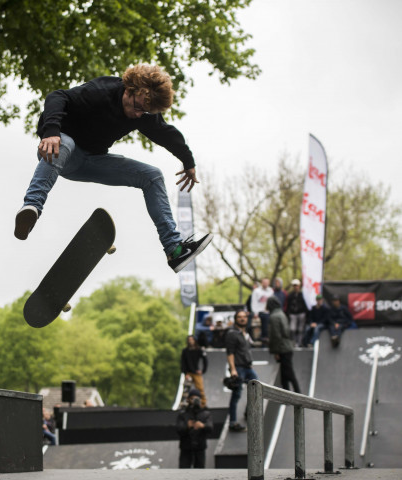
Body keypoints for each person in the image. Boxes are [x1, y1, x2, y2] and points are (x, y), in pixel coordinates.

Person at [14, 64, 213, 273]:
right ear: (129, 90)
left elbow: (166, 134)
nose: (138, 115)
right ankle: (32, 208)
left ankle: (174, 250)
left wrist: (188, 162)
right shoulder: (101, 91)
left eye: (144, 111)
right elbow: (57, 97)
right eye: (137, 107)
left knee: (152, 176)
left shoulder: (142, 112)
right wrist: (51, 131)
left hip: (93, 161)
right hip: (59, 152)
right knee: (67, 144)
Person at [225, 310, 258, 432]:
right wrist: (233, 370)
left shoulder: (245, 332)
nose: (242, 319)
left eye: (244, 317)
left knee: (256, 389)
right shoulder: (232, 333)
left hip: (248, 367)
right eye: (240, 317)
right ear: (235, 319)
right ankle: (233, 422)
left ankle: (248, 412)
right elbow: (230, 353)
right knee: (236, 394)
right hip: (238, 368)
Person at [267, 296, 301, 393]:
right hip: (287, 346)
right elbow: (286, 331)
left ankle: (298, 393)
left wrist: (276, 351)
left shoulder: (274, 316)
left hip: (282, 348)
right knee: (284, 375)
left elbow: (276, 335)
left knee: (288, 373)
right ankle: (287, 394)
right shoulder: (281, 313)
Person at [176, 388, 213, 468]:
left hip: (200, 448)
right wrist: (187, 426)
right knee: (183, 471)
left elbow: (210, 428)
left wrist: (203, 426)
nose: (194, 400)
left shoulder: (206, 414)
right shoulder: (183, 414)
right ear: (188, 399)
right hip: (186, 448)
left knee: (200, 471)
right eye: (192, 398)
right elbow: (178, 429)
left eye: (197, 398)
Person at [181, 335, 208, 407]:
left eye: (192, 340)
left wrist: (203, 370)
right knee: (186, 388)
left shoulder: (199, 350)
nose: (190, 341)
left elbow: (205, 360)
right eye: (189, 340)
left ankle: (203, 403)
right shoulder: (185, 351)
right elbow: (183, 362)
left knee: (200, 388)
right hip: (189, 373)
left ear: (194, 341)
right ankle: (185, 403)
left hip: (196, 372)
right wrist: (185, 373)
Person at [285, 279, 309, 346]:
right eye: (294, 286)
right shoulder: (290, 295)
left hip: (301, 314)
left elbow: (305, 305)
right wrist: (288, 313)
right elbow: (288, 305)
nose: (296, 287)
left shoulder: (303, 295)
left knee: (300, 329)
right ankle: (293, 342)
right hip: (293, 314)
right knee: (292, 329)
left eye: (297, 286)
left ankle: (299, 342)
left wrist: (306, 313)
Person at [250, 278, 274, 342]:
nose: (265, 284)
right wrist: (255, 312)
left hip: (267, 312)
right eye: (264, 282)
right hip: (259, 312)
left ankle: (265, 340)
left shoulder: (271, 291)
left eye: (267, 282)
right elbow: (254, 301)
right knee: (257, 328)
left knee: (267, 328)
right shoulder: (257, 291)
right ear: (262, 283)